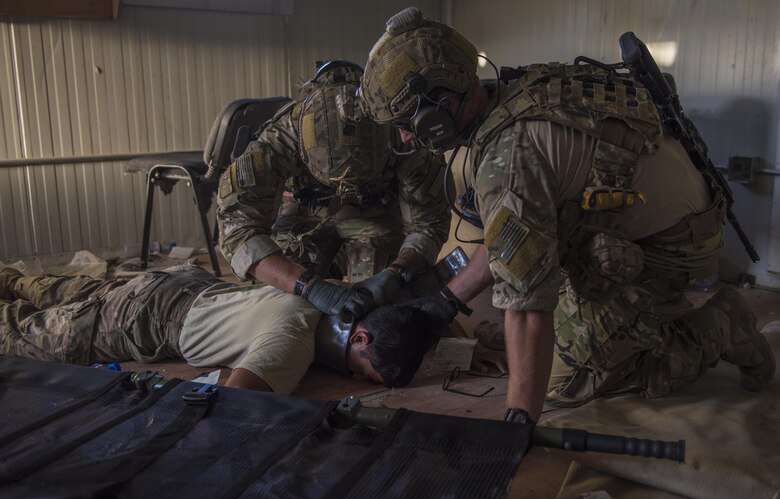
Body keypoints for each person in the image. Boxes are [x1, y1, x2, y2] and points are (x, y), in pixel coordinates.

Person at [357, 7, 775, 424]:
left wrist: (517, 423)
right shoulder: (513, 95)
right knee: (533, 314)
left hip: (672, 249)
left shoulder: (509, 160)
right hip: (647, 225)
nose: (405, 136)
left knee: (565, 380)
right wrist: (443, 304)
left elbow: (526, 306)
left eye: (404, 122)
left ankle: (720, 325)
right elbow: (507, 242)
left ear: (441, 103)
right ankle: (627, 318)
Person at [217, 60, 452, 320]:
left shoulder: (404, 136)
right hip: (306, 209)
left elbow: (428, 224)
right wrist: (307, 285)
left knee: (380, 309)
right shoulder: (279, 139)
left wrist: (399, 270)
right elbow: (237, 229)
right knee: (282, 306)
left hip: (375, 211)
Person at [0, 265, 440, 394]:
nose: (356, 380)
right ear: (359, 338)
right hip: (145, 319)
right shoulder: (292, 341)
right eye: (364, 373)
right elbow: (238, 401)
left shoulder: (346, 298)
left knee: (46, 288)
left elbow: (415, 316)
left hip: (181, 284)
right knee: (19, 333)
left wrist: (455, 350)